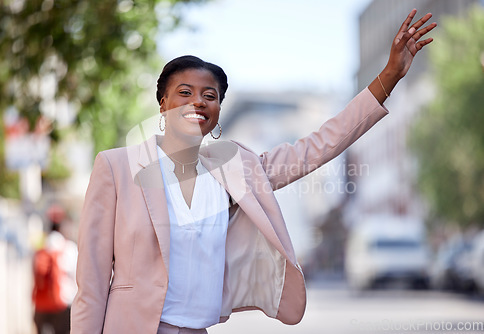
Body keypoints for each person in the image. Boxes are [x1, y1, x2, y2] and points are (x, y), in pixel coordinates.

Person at [71, 9, 436, 334]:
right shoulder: (116, 167)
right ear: (163, 103)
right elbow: (91, 284)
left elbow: (317, 147)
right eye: (185, 92)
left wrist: (388, 77)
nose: (198, 101)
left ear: (217, 111)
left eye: (209, 95)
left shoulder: (236, 169)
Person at [32, 204, 78, 334]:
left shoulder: (40, 249)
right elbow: (77, 279)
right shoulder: (69, 249)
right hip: (63, 304)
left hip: (41, 305)